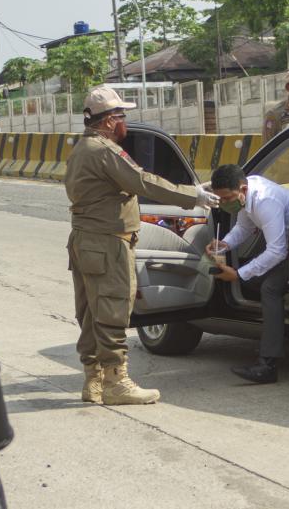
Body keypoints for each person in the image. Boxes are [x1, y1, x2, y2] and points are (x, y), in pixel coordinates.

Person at [65, 86, 219, 405]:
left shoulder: (82, 148)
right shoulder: (105, 151)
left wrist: (188, 189)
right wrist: (194, 196)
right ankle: (116, 382)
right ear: (108, 121)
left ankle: (93, 380)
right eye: (121, 116)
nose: (125, 123)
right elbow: (143, 181)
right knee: (113, 310)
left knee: (92, 312)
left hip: (86, 240)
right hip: (108, 243)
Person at [206, 164, 289, 384]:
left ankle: (267, 365)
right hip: (285, 245)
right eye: (220, 199)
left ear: (242, 189)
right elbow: (244, 227)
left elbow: (278, 251)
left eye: (227, 198)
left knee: (270, 289)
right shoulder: (247, 195)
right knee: (258, 281)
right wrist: (224, 244)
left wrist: (238, 275)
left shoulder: (265, 201)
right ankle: (274, 334)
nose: (224, 204)